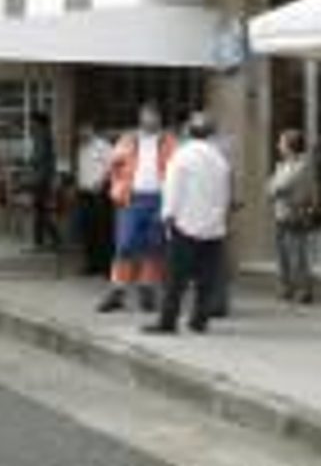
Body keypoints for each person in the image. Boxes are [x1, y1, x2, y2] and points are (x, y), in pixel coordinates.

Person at [144, 111, 232, 335]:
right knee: (206, 278)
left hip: (185, 224)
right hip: (213, 227)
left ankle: (168, 321)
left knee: (175, 277)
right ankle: (199, 320)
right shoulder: (220, 159)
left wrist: (167, 216)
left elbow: (172, 189)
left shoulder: (181, 156)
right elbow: (225, 194)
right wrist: (219, 219)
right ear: (210, 133)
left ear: (188, 132)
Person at [97, 103, 178, 313]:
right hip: (131, 199)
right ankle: (117, 290)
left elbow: (177, 169)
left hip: (159, 199)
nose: (150, 119)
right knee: (125, 244)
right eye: (146, 115)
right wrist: (117, 187)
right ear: (140, 118)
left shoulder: (169, 141)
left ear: (159, 118)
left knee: (153, 246)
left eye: (153, 116)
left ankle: (147, 289)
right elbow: (113, 164)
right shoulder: (128, 139)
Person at [269, 129, 318, 304]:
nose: (278, 146)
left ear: (290, 146)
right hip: (281, 214)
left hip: (295, 214)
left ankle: (304, 291)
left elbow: (283, 185)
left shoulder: (302, 165)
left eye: (281, 142)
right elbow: (270, 188)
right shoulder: (283, 165)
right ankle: (286, 289)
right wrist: (275, 187)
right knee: (282, 254)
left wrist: (275, 186)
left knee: (297, 254)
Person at [74, 125, 114, 276]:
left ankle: (106, 266)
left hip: (100, 193)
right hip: (84, 193)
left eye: (84, 129)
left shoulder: (103, 146)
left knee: (103, 231)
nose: (81, 132)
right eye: (80, 130)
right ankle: (91, 264)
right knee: (88, 231)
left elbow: (113, 165)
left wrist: (102, 182)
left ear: (91, 128)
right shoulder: (81, 148)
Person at [28, 111, 62, 251]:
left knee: (39, 211)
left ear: (38, 122)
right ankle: (49, 240)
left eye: (32, 121)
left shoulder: (41, 135)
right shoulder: (45, 134)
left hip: (41, 178)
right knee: (41, 211)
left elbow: (39, 156)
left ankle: (42, 242)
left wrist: (31, 160)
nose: (30, 124)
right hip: (44, 178)